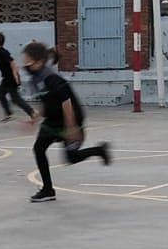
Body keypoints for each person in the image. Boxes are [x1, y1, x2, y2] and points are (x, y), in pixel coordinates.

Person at [21, 41, 112, 203]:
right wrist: (34, 119)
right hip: (52, 120)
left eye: (28, 62)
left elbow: (66, 102)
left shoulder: (51, 78)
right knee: (39, 149)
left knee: (71, 158)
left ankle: (99, 150)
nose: (25, 66)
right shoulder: (36, 78)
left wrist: (71, 129)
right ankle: (48, 190)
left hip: (70, 119)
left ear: (39, 62)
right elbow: (47, 102)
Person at [0, 32, 35, 122]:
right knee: (1, 95)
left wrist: (16, 77)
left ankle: (32, 113)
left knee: (16, 99)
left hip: (10, 78)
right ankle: (8, 113)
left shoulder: (2, 52)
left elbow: (13, 64)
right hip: (6, 78)